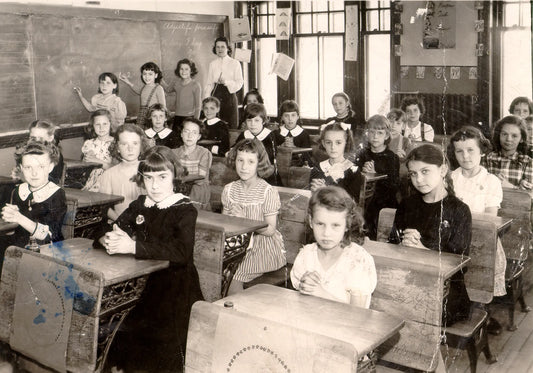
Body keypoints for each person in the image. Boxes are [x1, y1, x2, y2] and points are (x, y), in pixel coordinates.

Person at [96, 146, 203, 372]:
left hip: (174, 288)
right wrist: (108, 238)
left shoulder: (184, 209)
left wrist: (132, 246)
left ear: (175, 176)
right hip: (141, 281)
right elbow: (111, 227)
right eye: (148, 178)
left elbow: (181, 253)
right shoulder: (140, 204)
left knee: (160, 352)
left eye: (162, 177)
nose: (154, 185)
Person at [388, 144, 472, 326]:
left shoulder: (459, 210)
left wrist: (422, 250)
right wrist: (402, 246)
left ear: (442, 170)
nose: (419, 179)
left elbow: (460, 263)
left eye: (425, 171)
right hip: (410, 281)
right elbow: (391, 245)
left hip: (447, 291)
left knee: (407, 310)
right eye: (413, 173)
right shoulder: (407, 204)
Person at [448, 126, 507, 334]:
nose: (465, 156)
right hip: (454, 240)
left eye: (471, 150)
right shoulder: (450, 179)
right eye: (459, 151)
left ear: (482, 150)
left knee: (479, 282)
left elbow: (490, 220)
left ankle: (482, 314)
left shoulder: (491, 182)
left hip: (482, 242)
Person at [291, 186, 377, 308]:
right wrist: (304, 285)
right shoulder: (306, 255)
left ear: (347, 224)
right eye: (320, 224)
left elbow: (359, 315)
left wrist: (322, 293)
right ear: (311, 221)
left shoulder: (357, 260)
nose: (326, 233)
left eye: (335, 225)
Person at [223, 139, 286, 294]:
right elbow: (224, 225)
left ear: (260, 164)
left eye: (251, 162)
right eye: (240, 160)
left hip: (263, 248)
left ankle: (234, 313)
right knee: (213, 266)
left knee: (234, 273)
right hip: (236, 246)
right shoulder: (229, 189)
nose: (244, 167)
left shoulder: (267, 191)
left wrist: (245, 221)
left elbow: (270, 230)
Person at [0, 141, 66, 275]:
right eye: (28, 167)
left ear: (50, 167)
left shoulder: (56, 194)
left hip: (47, 251)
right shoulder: (18, 190)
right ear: (21, 168)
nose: (34, 173)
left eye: (41, 166)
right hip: (19, 247)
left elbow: (48, 236)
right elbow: (11, 231)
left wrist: (18, 218)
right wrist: (8, 218)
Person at [350, 115, 400, 240]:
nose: (375, 136)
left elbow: (394, 185)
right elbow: (353, 178)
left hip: (384, 201)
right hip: (363, 199)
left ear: (387, 136)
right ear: (367, 134)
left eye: (380, 133)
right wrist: (361, 172)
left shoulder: (392, 157)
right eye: (372, 132)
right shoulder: (362, 154)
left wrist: (375, 174)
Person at [98, 124, 149, 221]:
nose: (130, 149)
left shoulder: (149, 169)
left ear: (141, 145)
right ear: (117, 147)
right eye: (124, 144)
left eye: (135, 143)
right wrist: (121, 222)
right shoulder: (109, 174)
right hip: (120, 223)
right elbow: (104, 206)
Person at [482, 115, 533, 194]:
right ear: (499, 135)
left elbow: (529, 197)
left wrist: (511, 187)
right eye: (504, 134)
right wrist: (492, 181)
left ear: (521, 139)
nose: (509, 139)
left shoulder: (528, 162)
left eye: (514, 136)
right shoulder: (487, 158)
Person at [236, 103, 282, 185]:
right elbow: (235, 149)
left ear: (263, 121)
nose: (252, 124)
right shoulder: (244, 135)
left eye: (256, 120)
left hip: (265, 173)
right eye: (249, 120)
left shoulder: (269, 135)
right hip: (246, 171)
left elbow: (270, 156)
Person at [204, 36, 243, 129]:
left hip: (229, 97)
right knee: (215, 125)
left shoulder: (235, 63)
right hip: (216, 96)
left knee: (230, 125)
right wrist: (206, 99)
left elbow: (239, 83)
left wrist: (226, 82)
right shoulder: (212, 64)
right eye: (217, 47)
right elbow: (209, 83)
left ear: (228, 48)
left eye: (222, 47)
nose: (220, 49)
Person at [173, 118, 212, 209]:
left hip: (197, 188)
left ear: (199, 136)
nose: (189, 136)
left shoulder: (203, 152)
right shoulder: (174, 152)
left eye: (194, 132)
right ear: (181, 134)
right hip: (179, 187)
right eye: (186, 131)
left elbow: (201, 175)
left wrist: (182, 178)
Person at [309, 122, 357, 192]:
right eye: (328, 142)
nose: (333, 147)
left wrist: (326, 191)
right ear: (323, 143)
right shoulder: (317, 168)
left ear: (346, 143)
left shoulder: (353, 170)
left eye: (338, 142)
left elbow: (352, 201)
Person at [119, 62, 166, 128]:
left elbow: (163, 106)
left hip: (153, 116)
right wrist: (127, 81)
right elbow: (139, 91)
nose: (147, 77)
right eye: (144, 74)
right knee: (141, 134)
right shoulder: (144, 87)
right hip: (142, 115)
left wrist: (161, 118)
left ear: (156, 75)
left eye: (150, 74)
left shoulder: (158, 88)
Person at [161, 58, 202, 131]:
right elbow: (168, 89)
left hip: (190, 117)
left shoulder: (195, 85)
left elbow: (198, 106)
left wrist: (195, 122)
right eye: (181, 69)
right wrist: (160, 79)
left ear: (191, 71)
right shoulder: (176, 83)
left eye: (186, 69)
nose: (183, 71)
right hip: (177, 116)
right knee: (176, 139)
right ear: (178, 70)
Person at [81, 109, 115, 191]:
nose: (101, 127)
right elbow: (84, 167)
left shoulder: (117, 143)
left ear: (110, 124)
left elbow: (117, 169)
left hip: (111, 181)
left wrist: (97, 161)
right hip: (93, 182)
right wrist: (87, 159)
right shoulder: (89, 143)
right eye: (97, 124)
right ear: (92, 126)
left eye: (105, 124)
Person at [274, 100, 313, 166]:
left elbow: (308, 156)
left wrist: (294, 148)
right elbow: (270, 154)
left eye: (293, 115)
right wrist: (281, 147)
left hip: (298, 167)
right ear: (282, 117)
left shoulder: (303, 134)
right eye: (286, 116)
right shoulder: (276, 133)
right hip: (279, 165)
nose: (290, 119)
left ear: (298, 117)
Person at [28, 120, 65, 185]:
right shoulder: (28, 154)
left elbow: (52, 180)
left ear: (50, 138)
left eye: (41, 138)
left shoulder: (54, 156)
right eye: (33, 138)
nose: (37, 141)